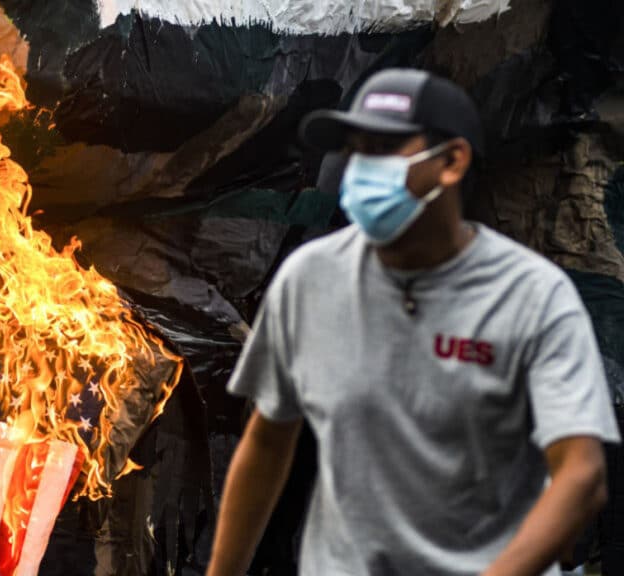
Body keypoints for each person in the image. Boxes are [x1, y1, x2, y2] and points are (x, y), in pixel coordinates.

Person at [207, 68, 621, 576]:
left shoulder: (531, 297)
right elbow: (267, 442)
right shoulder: (310, 280)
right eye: (354, 149)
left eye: (383, 147)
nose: (360, 169)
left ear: (451, 162)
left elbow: (581, 475)